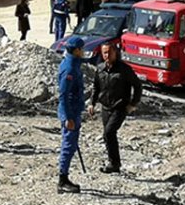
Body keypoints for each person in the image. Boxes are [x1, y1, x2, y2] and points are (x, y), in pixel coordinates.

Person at [88, 43, 142, 174]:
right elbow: (96, 87)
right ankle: (114, 163)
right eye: (104, 53)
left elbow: (138, 86)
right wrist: (92, 103)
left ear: (115, 53)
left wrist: (133, 104)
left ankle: (114, 163)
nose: (107, 55)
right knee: (107, 135)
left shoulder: (124, 69)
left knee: (109, 132)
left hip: (120, 107)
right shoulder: (100, 68)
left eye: (109, 53)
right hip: (105, 107)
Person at [57, 36, 86, 194]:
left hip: (74, 110)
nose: (83, 51)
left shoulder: (73, 64)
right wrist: (68, 117)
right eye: (82, 49)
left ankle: (64, 176)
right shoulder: (69, 68)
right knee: (68, 145)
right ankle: (63, 180)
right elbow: (63, 94)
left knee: (71, 144)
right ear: (76, 50)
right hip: (71, 112)